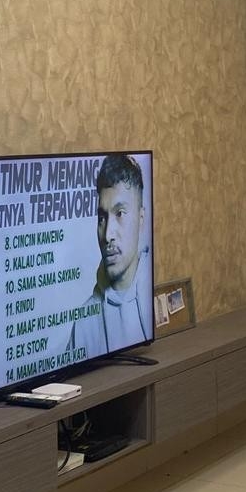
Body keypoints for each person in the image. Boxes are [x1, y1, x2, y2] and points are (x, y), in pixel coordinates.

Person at [69, 154, 152, 359]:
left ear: (141, 219)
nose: (107, 235)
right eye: (102, 218)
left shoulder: (153, 296)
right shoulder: (84, 324)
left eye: (120, 213)